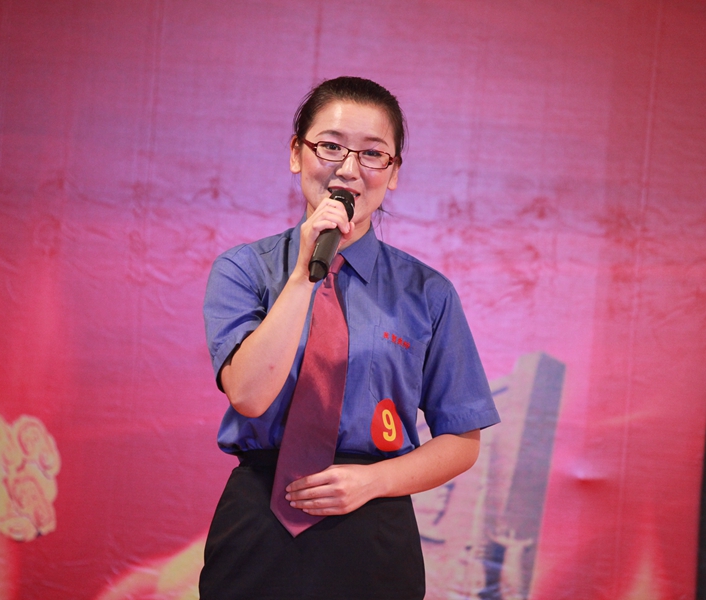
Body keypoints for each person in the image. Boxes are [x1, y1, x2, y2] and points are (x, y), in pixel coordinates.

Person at [200, 76, 500, 600]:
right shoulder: (244, 270)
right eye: (331, 146)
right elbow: (248, 394)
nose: (348, 169)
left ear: (394, 172)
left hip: (375, 524)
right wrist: (303, 275)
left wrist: (372, 482)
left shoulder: (426, 292)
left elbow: (461, 440)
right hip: (260, 519)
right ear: (296, 153)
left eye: (373, 154)